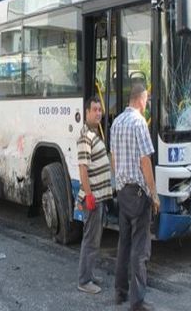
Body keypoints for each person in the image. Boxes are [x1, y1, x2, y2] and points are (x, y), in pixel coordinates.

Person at [110, 83, 160, 311]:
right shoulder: (139, 123)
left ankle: (119, 292)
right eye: (146, 99)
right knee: (141, 249)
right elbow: (145, 161)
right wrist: (154, 192)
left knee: (124, 243)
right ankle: (137, 301)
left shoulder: (117, 122)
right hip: (139, 194)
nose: (147, 103)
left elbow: (113, 158)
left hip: (123, 192)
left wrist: (117, 184)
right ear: (141, 99)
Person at [76, 95, 112, 295]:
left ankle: (89, 275)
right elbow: (83, 168)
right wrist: (88, 195)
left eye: (100, 110)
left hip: (98, 196)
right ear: (87, 112)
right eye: (94, 110)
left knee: (94, 239)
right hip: (93, 197)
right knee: (90, 240)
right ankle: (84, 280)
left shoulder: (94, 133)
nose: (98, 113)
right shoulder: (85, 137)